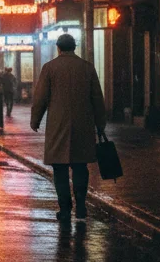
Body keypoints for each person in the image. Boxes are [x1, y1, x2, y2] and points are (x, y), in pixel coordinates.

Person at [30, 33, 107, 223]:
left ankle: (65, 209)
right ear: (74, 47)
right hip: (83, 124)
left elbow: (40, 98)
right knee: (80, 167)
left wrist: (35, 120)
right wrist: (100, 123)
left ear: (58, 48)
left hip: (58, 125)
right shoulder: (87, 68)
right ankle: (81, 207)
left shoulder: (50, 68)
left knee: (60, 169)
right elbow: (97, 98)